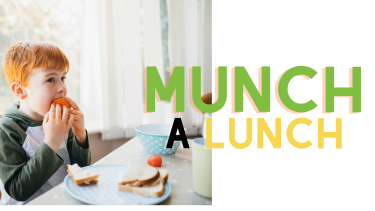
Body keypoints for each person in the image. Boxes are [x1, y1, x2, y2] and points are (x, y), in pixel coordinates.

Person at [0, 41, 91, 205]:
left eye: (63, 78)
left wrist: (80, 135)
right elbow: (17, 190)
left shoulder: (61, 120)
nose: (62, 87)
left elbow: (80, 169)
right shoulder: (7, 129)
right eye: (51, 79)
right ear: (20, 90)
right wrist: (52, 142)